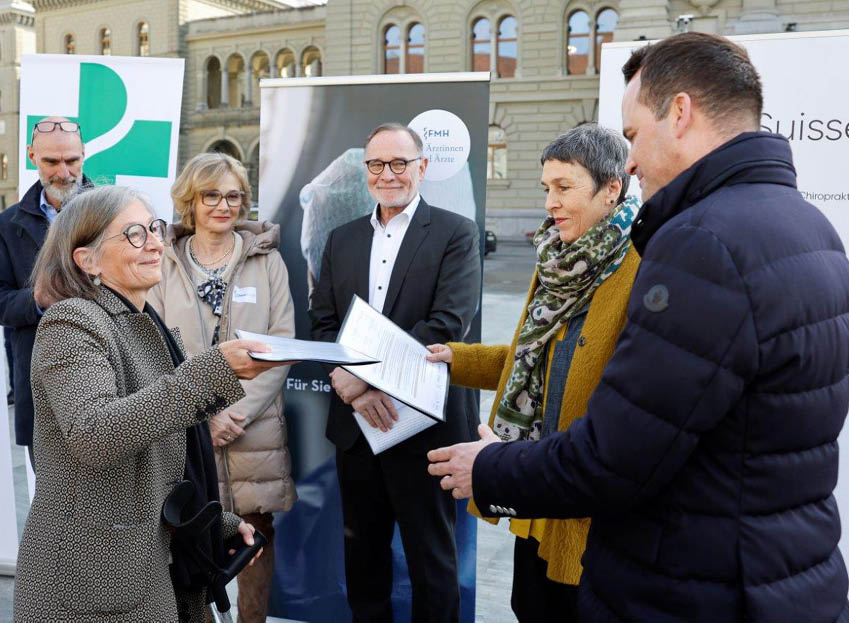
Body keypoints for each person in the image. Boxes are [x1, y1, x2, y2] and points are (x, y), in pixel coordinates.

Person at [428, 31, 849, 621]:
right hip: (775, 573)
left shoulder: (701, 244)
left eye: (631, 136)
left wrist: (491, 467)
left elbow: (620, 457)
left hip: (696, 587)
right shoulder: (810, 229)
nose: (629, 159)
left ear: (679, 113)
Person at [12, 185, 288, 623]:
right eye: (134, 234)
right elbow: (94, 434)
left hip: (145, 565)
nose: (157, 243)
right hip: (94, 580)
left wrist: (216, 524)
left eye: (155, 228)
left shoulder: (142, 321)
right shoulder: (72, 322)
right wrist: (211, 371)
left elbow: (159, 457)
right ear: (88, 260)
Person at [426, 124, 639, 622]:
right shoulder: (556, 260)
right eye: (547, 188)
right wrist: (455, 358)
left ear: (611, 189)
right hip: (538, 490)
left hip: (588, 501)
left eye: (564, 187)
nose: (550, 203)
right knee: (530, 605)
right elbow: (531, 358)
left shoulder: (640, 267)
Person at [310, 122, 481, 622]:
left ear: (422, 168)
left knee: (432, 558)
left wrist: (363, 377)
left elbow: (446, 323)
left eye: (400, 163)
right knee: (363, 557)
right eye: (377, 165)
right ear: (366, 171)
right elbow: (323, 325)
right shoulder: (341, 239)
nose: (388, 175)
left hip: (424, 425)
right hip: (357, 425)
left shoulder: (455, 233)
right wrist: (354, 390)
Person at [148, 152, 296, 623]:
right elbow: (149, 344)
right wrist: (202, 413)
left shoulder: (268, 260)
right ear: (190, 200)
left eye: (233, 196)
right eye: (211, 195)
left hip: (255, 428)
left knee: (254, 534)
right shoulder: (163, 262)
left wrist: (236, 412)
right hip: (185, 427)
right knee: (187, 534)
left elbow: (283, 344)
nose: (223, 205)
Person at [0, 116, 89, 467]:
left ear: (84, 153)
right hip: (42, 386)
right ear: (32, 156)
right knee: (54, 509)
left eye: (72, 160)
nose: (64, 172)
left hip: (109, 376)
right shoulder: (6, 225)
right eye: (51, 162)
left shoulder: (114, 212)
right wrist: (36, 300)